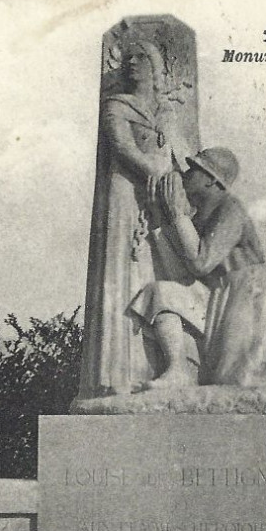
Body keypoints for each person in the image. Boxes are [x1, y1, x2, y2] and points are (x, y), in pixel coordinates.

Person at [77, 38, 196, 398]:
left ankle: (171, 365)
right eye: (127, 58)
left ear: (156, 67)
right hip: (125, 198)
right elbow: (123, 148)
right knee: (122, 275)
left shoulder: (166, 111)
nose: (132, 63)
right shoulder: (116, 105)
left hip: (158, 201)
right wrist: (157, 175)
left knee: (158, 278)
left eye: (141, 57)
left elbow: (180, 154)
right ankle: (117, 374)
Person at [130, 148, 266, 388]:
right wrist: (159, 217)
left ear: (212, 180)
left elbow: (201, 262)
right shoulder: (201, 216)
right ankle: (177, 370)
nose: (187, 174)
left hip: (247, 293)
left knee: (234, 381)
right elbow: (182, 272)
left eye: (194, 170)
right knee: (160, 293)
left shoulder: (231, 209)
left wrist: (177, 214)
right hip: (217, 293)